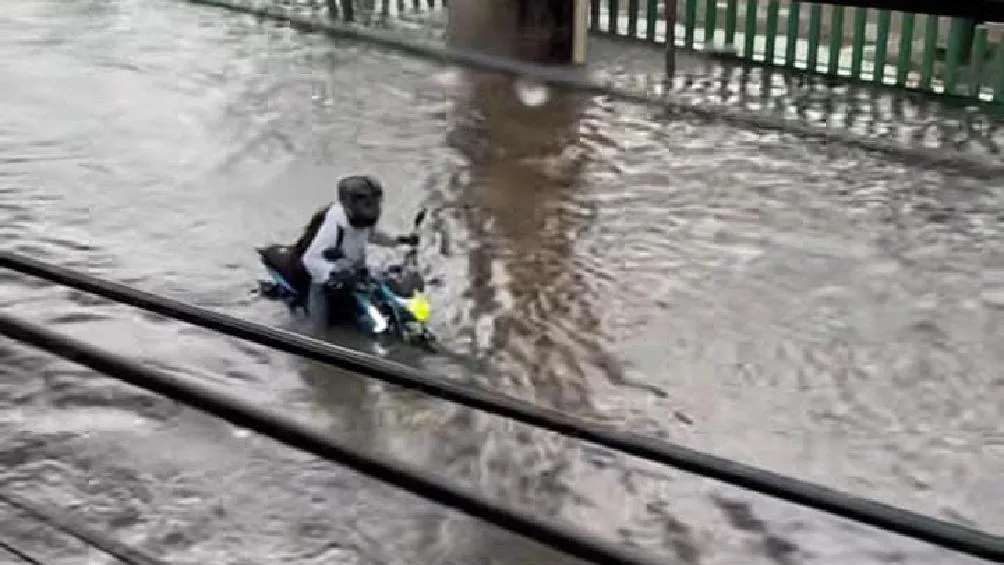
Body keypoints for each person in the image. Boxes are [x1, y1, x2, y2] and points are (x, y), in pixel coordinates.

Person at [292, 175, 418, 326]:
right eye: (366, 204)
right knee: (319, 326)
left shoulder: (363, 223)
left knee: (382, 294)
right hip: (327, 282)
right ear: (351, 205)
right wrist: (332, 274)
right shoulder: (335, 226)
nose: (372, 208)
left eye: (375, 203)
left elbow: (373, 235)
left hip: (355, 272)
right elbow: (310, 259)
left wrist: (399, 241)